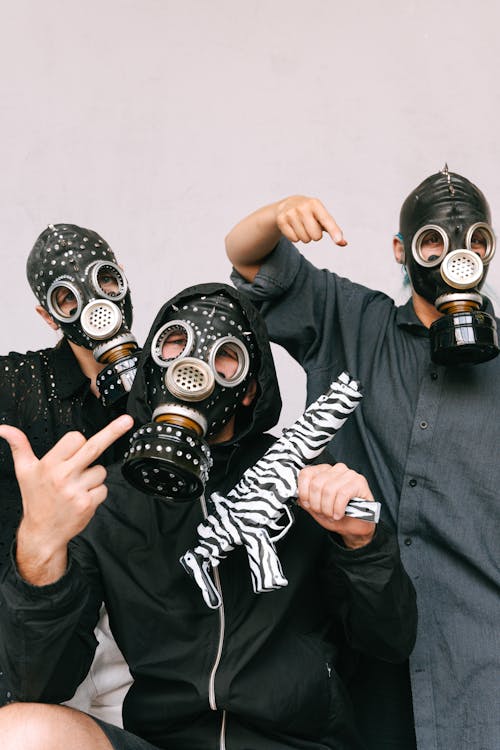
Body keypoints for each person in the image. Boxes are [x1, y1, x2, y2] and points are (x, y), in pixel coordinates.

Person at [0, 283, 416, 750]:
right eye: (175, 343)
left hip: (295, 742)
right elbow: (39, 685)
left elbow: (389, 643)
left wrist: (362, 545)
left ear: (248, 390)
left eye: (225, 354)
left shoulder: (305, 485)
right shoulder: (105, 502)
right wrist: (39, 548)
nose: (191, 365)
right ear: (150, 365)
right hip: (161, 741)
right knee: (20, 731)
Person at [225, 167, 500, 750]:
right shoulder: (349, 322)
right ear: (402, 252)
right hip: (359, 658)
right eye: (434, 242)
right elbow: (249, 260)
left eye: (477, 242)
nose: (459, 258)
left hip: (481, 666)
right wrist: (278, 214)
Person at [0, 223, 137, 722]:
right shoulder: (17, 387)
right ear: (46, 315)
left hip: (147, 642)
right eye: (66, 296)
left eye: (103, 281)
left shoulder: (175, 376)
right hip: (47, 634)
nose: (94, 303)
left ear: (122, 281)